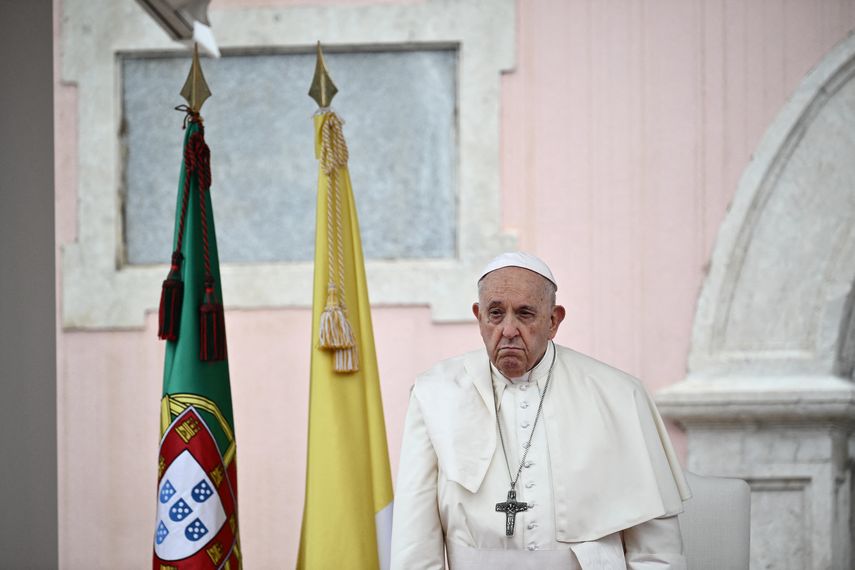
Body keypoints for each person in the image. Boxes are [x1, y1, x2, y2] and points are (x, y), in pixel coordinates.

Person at [390, 252, 691, 569]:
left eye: (524, 314)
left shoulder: (620, 396)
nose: (508, 330)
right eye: (495, 313)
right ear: (479, 317)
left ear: (553, 321)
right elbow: (415, 545)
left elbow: (658, 553)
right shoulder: (434, 393)